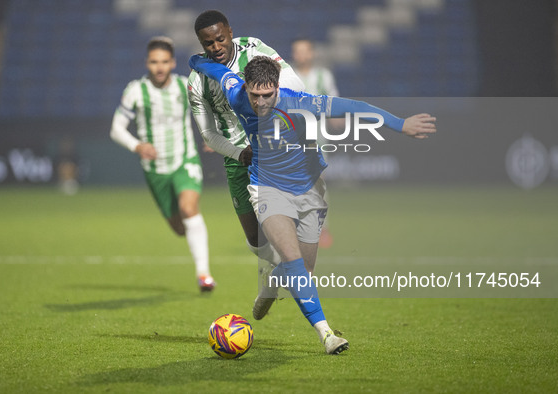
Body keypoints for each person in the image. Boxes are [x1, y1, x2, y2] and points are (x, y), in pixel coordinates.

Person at [189, 54, 437, 354]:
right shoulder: (235, 91)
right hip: (266, 187)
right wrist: (194, 59)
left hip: (309, 189)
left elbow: (354, 107)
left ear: (277, 87)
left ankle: (272, 282)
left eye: (268, 95)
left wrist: (400, 124)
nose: (261, 102)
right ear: (246, 87)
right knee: (292, 260)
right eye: (255, 95)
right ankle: (327, 335)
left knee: (303, 270)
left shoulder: (300, 103)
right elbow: (213, 68)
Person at [188, 10, 305, 269]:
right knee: (255, 241)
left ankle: (295, 269)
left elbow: (296, 85)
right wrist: (239, 154)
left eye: (221, 39)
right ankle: (278, 269)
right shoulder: (197, 81)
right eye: (208, 43)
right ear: (201, 43)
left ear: (230, 32)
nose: (216, 47)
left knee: (282, 221)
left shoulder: (253, 50)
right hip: (237, 157)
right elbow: (208, 134)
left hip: (272, 146)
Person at [110, 37, 214, 292]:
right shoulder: (136, 90)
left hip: (184, 160)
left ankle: (204, 275)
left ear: (172, 63)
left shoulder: (183, 86)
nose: (159, 67)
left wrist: (212, 135)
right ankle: (198, 257)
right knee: (180, 228)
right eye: (154, 62)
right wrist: (138, 146)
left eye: (164, 62)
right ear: (147, 63)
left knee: (189, 209)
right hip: (156, 170)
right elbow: (116, 129)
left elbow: (209, 110)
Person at [291, 38, 341, 248]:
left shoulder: (323, 76)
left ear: (312, 53)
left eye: (305, 51)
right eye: (298, 51)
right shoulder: (287, 76)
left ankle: (322, 229)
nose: (301, 55)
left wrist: (337, 115)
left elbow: (332, 100)